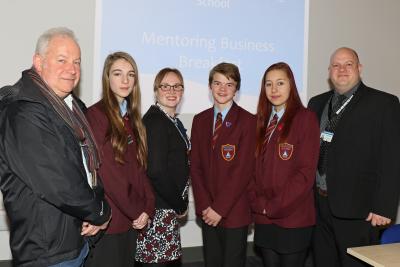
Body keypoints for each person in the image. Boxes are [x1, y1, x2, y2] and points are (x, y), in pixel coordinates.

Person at [0, 27, 111, 266]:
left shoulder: (71, 107)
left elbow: (86, 168)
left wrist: (92, 210)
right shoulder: (23, 111)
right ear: (38, 62)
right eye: (62, 60)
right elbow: (58, 182)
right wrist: (100, 212)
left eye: (77, 62)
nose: (72, 69)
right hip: (47, 252)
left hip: (74, 240)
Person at [308, 47, 400, 267]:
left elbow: (392, 158)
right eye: (336, 65)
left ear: (359, 68)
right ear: (329, 71)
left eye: (348, 64)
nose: (342, 70)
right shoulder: (316, 103)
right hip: (318, 207)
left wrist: (384, 207)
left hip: (360, 211)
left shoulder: (384, 104)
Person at [84, 51, 155, 267]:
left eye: (130, 74)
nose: (125, 80)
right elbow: (109, 174)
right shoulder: (96, 115)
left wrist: (148, 208)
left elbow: (139, 168)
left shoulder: (132, 117)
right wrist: (137, 210)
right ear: (107, 78)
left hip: (130, 222)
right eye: (118, 74)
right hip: (111, 224)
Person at [248, 62, 320, 267]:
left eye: (280, 83)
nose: (274, 89)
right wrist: (258, 204)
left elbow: (305, 174)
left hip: (292, 219)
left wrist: (272, 206)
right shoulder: (260, 121)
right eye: (268, 84)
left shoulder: (305, 119)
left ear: (291, 85)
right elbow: (251, 170)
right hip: (264, 218)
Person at [190, 62, 256, 267]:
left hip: (234, 211)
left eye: (229, 84)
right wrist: (204, 206)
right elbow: (196, 166)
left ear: (236, 89)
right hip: (207, 211)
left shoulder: (248, 121)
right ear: (210, 87)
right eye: (217, 83)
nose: (222, 89)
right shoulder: (200, 120)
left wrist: (219, 208)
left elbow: (243, 171)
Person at [135, 68, 190, 267]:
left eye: (177, 86)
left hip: (165, 211)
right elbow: (156, 171)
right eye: (165, 86)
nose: (171, 90)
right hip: (159, 213)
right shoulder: (156, 122)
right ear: (156, 90)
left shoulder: (170, 121)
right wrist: (180, 204)